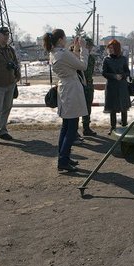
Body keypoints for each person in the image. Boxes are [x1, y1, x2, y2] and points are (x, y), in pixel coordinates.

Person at [44, 29, 88, 172]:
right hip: (72, 90)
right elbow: (82, 66)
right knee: (71, 129)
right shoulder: (63, 53)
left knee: (66, 126)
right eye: (64, 38)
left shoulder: (54, 53)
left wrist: (75, 49)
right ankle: (63, 160)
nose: (66, 40)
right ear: (60, 39)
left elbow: (72, 62)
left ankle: (64, 157)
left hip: (65, 88)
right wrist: (84, 50)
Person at [102, 39, 131, 134]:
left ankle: (124, 125)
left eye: (112, 48)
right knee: (112, 107)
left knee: (123, 106)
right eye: (109, 48)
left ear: (117, 48)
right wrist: (114, 76)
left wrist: (122, 76)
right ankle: (113, 127)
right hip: (111, 86)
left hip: (122, 85)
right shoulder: (106, 59)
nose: (110, 49)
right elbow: (104, 73)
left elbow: (127, 72)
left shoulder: (123, 59)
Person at [81, 38, 97, 136]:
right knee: (77, 107)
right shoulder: (79, 57)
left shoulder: (91, 58)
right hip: (80, 85)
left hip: (89, 84)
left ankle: (86, 128)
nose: (90, 48)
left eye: (90, 46)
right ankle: (74, 130)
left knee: (88, 107)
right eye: (88, 46)